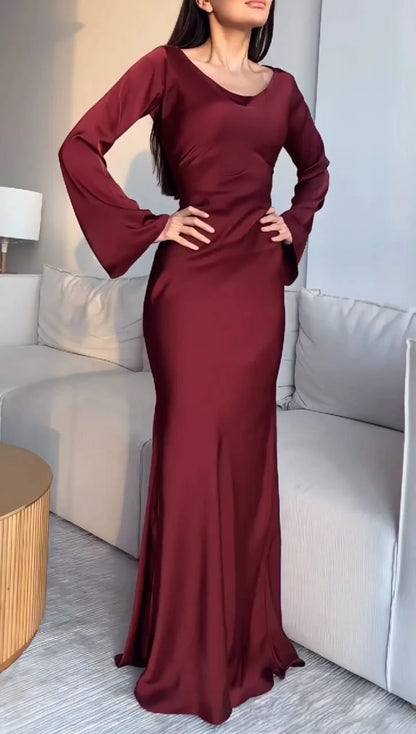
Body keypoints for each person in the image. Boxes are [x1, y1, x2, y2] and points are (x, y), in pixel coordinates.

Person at [58, 0, 330, 725]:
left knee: (245, 456)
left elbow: (316, 169)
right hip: (189, 292)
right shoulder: (165, 70)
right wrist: (152, 225)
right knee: (187, 455)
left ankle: (239, 640)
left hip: (255, 296)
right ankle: (185, 650)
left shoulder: (282, 90)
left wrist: (293, 223)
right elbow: (79, 146)